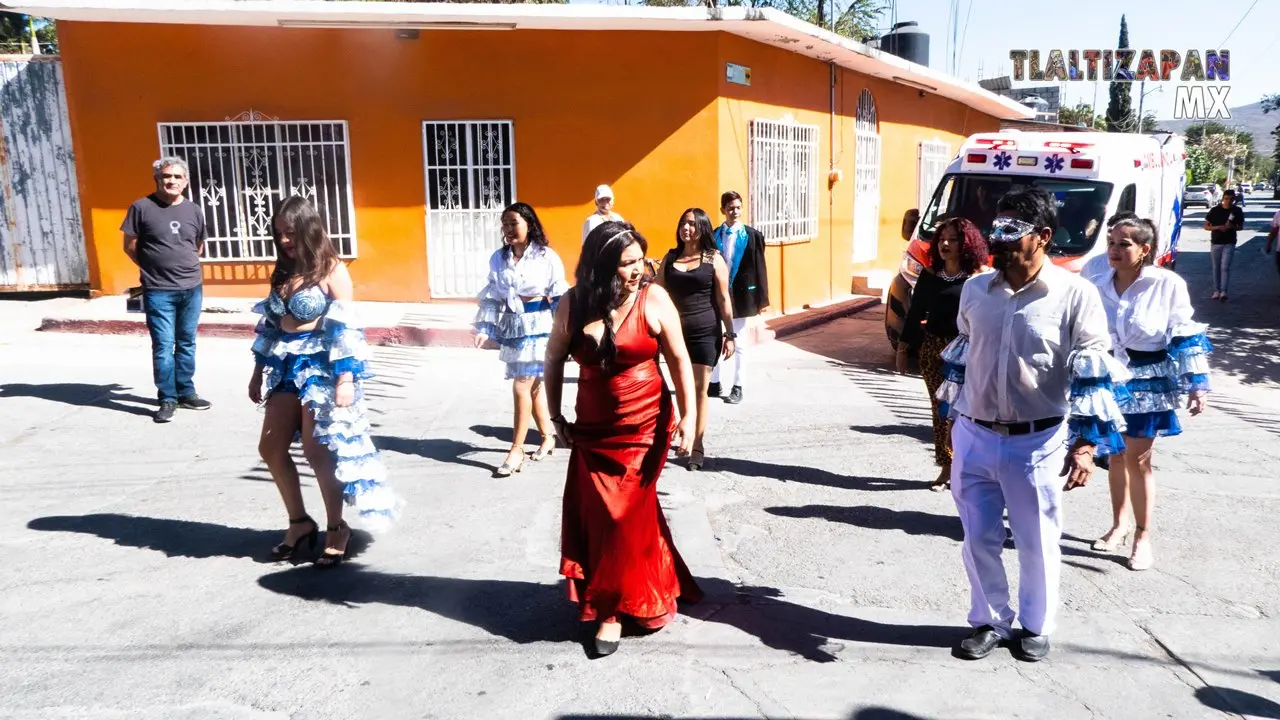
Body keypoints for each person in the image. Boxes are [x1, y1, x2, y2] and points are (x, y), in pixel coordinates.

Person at [936, 187, 1130, 663]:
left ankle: (1035, 625)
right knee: (977, 538)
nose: (996, 241)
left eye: (1010, 231)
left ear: (1042, 237)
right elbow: (963, 356)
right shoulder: (975, 290)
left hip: (1037, 441)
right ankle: (988, 620)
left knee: (1037, 541)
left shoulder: (1074, 295)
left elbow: (1093, 372)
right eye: (994, 229)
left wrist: (1086, 445)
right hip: (975, 434)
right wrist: (952, 431)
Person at [543, 220, 703, 658]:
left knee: (622, 517)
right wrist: (554, 416)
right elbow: (554, 359)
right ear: (599, 266)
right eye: (626, 263)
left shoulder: (654, 297)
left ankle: (612, 610)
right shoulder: (574, 304)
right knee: (601, 518)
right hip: (592, 428)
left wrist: (690, 417)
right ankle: (642, 585)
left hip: (645, 425)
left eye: (639, 259)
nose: (637, 269)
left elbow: (678, 357)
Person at [249, 196, 400, 566]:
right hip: (284, 368)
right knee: (270, 449)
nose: (285, 240)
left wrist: (345, 378)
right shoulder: (283, 270)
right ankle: (299, 523)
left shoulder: (331, 268)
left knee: (318, 454)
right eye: (279, 233)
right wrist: (256, 371)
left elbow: (345, 325)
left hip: (321, 369)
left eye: (291, 232)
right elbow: (270, 325)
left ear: (308, 228)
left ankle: (336, 527)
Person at [1089, 217, 1211, 571]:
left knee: (1138, 458)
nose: (1115, 250)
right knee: (1113, 454)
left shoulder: (1167, 284)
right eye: (1112, 242)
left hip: (1149, 378)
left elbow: (1184, 331)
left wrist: (1197, 383)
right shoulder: (1096, 284)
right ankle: (1118, 524)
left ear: (1144, 249)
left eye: (1124, 244)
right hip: (1108, 377)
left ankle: (1143, 535)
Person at [473, 202, 569, 477]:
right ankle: (547, 437)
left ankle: (516, 450)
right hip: (514, 326)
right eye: (505, 223)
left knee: (522, 384)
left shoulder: (546, 257)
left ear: (529, 224)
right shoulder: (498, 258)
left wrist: (566, 332)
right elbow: (492, 295)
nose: (509, 229)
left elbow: (559, 297)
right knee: (534, 386)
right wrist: (485, 329)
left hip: (539, 325)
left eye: (514, 222)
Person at [895, 217, 988, 492]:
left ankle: (971, 468)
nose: (946, 244)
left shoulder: (979, 278)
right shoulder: (930, 275)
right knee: (941, 410)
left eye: (954, 239)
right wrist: (903, 349)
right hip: (934, 349)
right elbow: (914, 315)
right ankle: (946, 469)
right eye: (942, 239)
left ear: (966, 244)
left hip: (969, 352)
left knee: (970, 410)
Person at [121, 156, 211, 423]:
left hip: (191, 288)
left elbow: (197, 245)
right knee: (163, 345)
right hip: (158, 290)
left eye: (176, 177)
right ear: (157, 179)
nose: (171, 181)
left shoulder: (194, 210)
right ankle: (167, 398)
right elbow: (130, 246)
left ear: (185, 181)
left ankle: (186, 393)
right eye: (165, 176)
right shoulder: (141, 207)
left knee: (187, 342)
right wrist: (153, 268)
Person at [655, 208, 737, 470]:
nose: (686, 228)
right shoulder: (669, 259)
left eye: (691, 223)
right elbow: (657, 293)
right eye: (683, 223)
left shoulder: (714, 259)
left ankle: (697, 444)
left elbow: (724, 299)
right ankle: (686, 433)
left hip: (705, 331)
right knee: (681, 387)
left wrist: (730, 333)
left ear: (702, 228)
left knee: (699, 391)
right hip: (674, 334)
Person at [710, 191, 770, 404]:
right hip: (716, 293)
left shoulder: (752, 236)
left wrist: (762, 298)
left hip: (742, 295)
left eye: (737, 207)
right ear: (722, 210)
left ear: (742, 208)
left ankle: (738, 385)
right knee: (715, 338)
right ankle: (714, 383)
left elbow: (760, 268)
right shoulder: (714, 235)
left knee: (739, 340)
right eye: (730, 208)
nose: (734, 212)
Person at [1203, 189, 1244, 302]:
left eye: (1231, 199)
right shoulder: (1215, 210)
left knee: (1225, 267)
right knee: (1216, 267)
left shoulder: (1237, 211)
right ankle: (1216, 291)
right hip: (1216, 242)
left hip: (1229, 242)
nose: (1228, 201)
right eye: (1226, 199)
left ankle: (1223, 291)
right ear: (1222, 199)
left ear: (1234, 200)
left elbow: (1241, 227)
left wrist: (1232, 227)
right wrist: (1217, 227)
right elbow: (1206, 226)